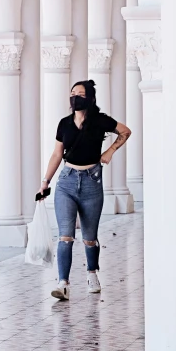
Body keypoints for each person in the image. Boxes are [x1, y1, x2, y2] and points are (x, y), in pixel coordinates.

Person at [38, 79, 131, 300]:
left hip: (91, 182)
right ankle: (63, 284)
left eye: (80, 94)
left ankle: (92, 273)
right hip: (67, 182)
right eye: (72, 93)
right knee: (65, 236)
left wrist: (110, 151)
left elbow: (125, 132)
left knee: (89, 237)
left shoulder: (100, 121)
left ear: (89, 98)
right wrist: (45, 181)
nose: (75, 97)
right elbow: (56, 154)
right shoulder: (64, 123)